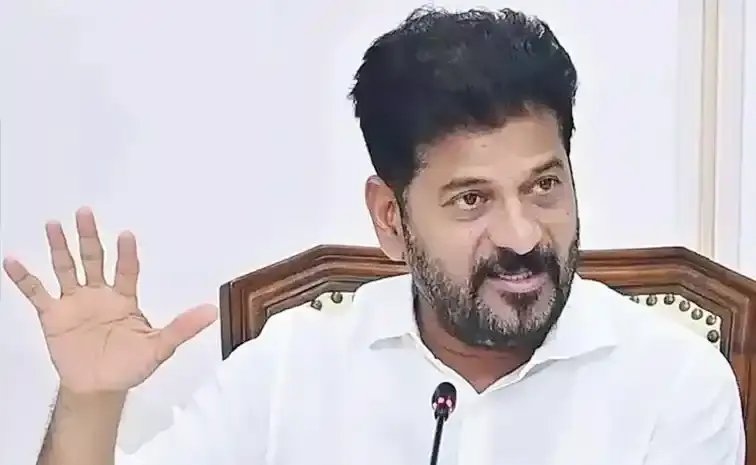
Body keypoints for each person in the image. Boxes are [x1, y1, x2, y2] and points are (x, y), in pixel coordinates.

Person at [3, 7, 744, 465]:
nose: (522, 236)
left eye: (543, 186)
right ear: (391, 219)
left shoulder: (674, 382)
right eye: (471, 199)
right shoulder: (293, 368)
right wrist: (89, 400)